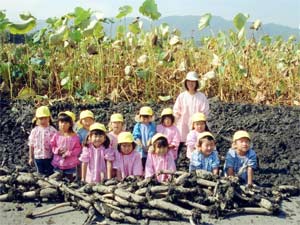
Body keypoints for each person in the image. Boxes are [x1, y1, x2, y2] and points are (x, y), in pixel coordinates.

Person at [173, 71, 209, 143]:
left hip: (198, 126)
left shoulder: (201, 97)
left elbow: (205, 112)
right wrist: (174, 123)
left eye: (193, 81)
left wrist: (200, 123)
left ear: (196, 83)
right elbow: (176, 111)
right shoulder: (182, 96)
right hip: (183, 125)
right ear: (186, 83)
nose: (191, 83)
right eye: (189, 81)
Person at [50, 111, 81, 181]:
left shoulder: (75, 136)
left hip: (70, 162)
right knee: (57, 178)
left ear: (70, 124)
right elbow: (52, 145)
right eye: (61, 122)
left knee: (69, 179)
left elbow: (78, 148)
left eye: (66, 123)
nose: (63, 125)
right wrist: (57, 151)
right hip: (58, 161)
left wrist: (69, 153)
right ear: (58, 123)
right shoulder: (56, 135)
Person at [28, 106, 57, 176]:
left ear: (49, 118)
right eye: (41, 118)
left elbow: (56, 144)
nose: (43, 120)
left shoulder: (52, 130)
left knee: (50, 173)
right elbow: (31, 145)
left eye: (45, 118)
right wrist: (31, 157)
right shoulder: (35, 131)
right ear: (37, 119)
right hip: (38, 157)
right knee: (40, 174)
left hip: (50, 156)